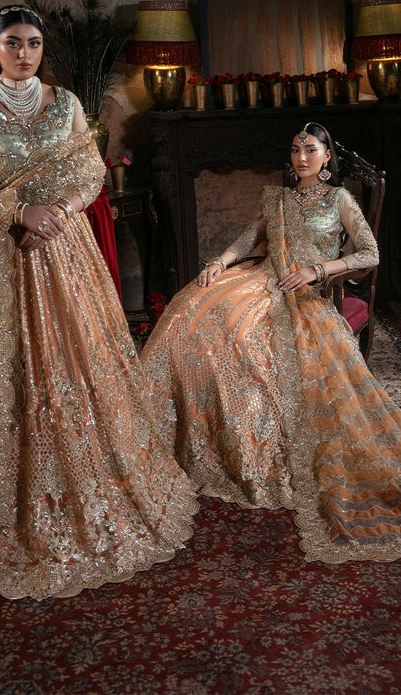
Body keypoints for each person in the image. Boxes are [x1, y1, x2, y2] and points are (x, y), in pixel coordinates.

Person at [0, 5, 197, 600]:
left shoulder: (65, 105)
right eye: (13, 43)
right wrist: (19, 213)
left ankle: (83, 482)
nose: (25, 53)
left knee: (73, 363)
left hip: (62, 251)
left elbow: (90, 172)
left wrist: (56, 215)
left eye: (34, 43)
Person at [142, 121, 401, 564]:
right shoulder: (276, 198)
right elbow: (249, 238)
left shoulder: (340, 199)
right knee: (190, 313)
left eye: (311, 149)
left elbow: (369, 253)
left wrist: (319, 271)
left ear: (327, 156)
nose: (301, 157)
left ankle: (254, 444)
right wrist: (219, 263)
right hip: (261, 278)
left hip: (304, 292)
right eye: (296, 149)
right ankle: (182, 431)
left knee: (244, 338)